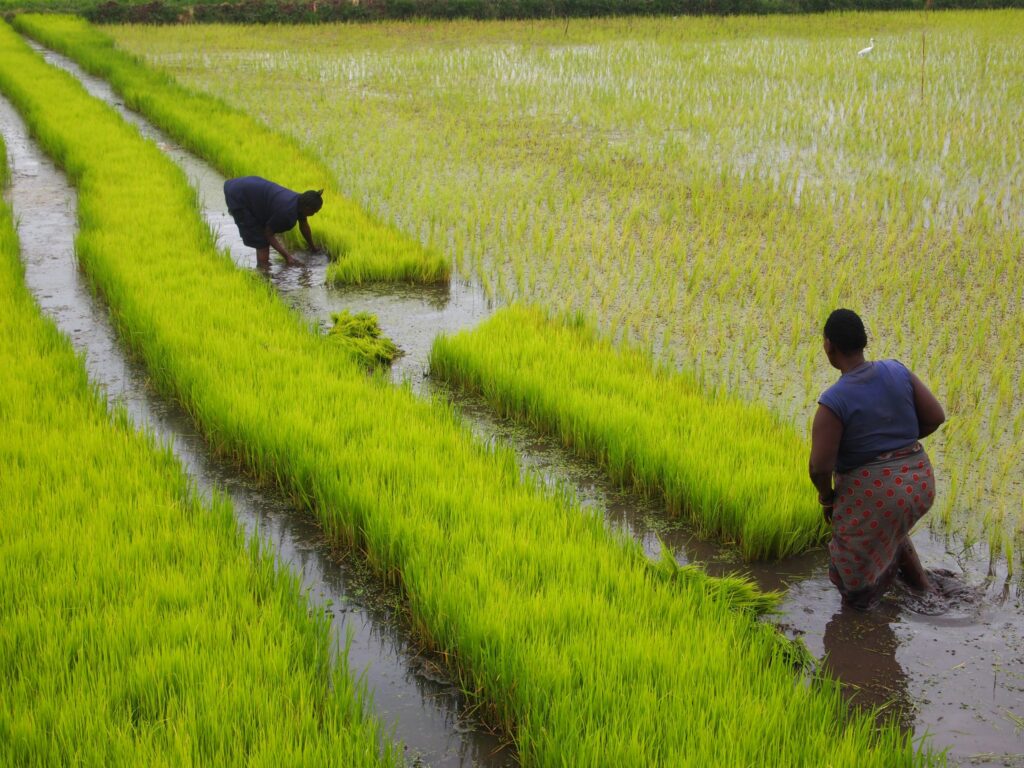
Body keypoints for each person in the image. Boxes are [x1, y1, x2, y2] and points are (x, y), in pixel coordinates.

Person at [808, 309, 946, 610]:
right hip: (920, 482)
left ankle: (863, 627)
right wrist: (897, 443)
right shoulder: (897, 370)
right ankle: (924, 589)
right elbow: (936, 417)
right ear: (862, 341)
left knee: (852, 581)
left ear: (828, 346)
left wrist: (827, 498)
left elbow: (820, 467)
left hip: (878, 493)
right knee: (892, 528)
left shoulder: (834, 401)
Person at [223, 176, 323, 268]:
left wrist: (313, 247)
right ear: (307, 208)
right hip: (238, 196)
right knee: (262, 242)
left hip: (246, 188)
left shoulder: (300, 202)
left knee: (261, 230)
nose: (314, 214)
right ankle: (263, 271)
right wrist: (288, 257)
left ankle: (263, 267)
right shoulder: (286, 212)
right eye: (314, 211)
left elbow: (304, 225)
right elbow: (268, 234)